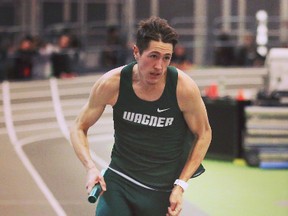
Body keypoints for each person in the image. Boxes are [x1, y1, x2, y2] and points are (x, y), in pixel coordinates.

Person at [70, 16, 212, 216]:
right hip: (119, 182)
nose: (159, 67)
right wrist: (90, 168)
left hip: (161, 191)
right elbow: (79, 127)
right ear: (136, 52)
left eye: (166, 58)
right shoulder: (113, 83)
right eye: (153, 56)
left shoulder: (183, 88)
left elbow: (204, 134)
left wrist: (180, 185)